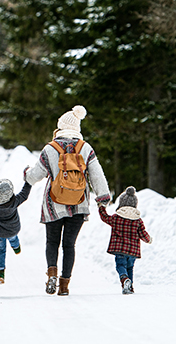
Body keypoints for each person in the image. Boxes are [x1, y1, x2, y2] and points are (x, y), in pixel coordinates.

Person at [24, 105, 111, 296]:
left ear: (60, 127)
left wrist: (26, 175)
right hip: (79, 204)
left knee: (52, 242)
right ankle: (64, 285)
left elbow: (35, 176)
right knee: (69, 245)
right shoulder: (85, 148)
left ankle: (52, 273)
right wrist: (103, 199)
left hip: (53, 204)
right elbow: (97, 175)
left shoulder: (50, 148)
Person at [98, 186, 152, 294]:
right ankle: (130, 287)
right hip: (133, 251)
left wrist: (101, 207)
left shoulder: (116, 217)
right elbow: (142, 233)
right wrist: (149, 239)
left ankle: (124, 279)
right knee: (130, 268)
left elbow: (105, 217)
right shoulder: (138, 220)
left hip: (120, 249)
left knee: (120, 266)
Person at [0, 177, 32, 284]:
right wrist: (28, 181)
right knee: (13, 239)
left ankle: (0, 275)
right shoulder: (14, 202)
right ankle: (16, 247)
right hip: (12, 230)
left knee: (0, 250)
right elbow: (24, 194)